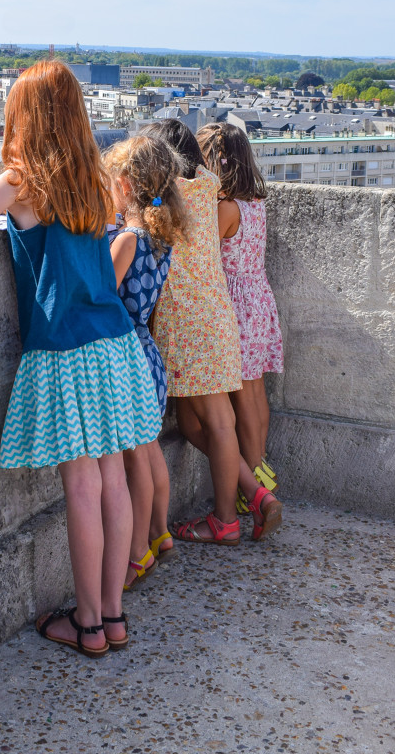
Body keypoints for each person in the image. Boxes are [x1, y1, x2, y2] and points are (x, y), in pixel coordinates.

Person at [0, 61, 161, 656]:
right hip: (115, 342)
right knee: (113, 483)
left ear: (24, 119)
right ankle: (111, 616)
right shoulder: (95, 179)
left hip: (65, 347)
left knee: (81, 487)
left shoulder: (20, 180)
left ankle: (85, 625)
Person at [147, 120, 281, 544]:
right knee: (197, 420)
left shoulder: (176, 196)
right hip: (222, 314)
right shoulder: (208, 188)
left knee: (214, 424)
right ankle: (255, 493)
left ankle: (226, 519)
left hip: (188, 322)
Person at [102, 135, 189, 588]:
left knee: (133, 462)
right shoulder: (161, 235)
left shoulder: (128, 241)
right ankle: (159, 536)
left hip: (124, 358)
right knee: (148, 452)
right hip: (147, 354)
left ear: (126, 185)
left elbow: (100, 295)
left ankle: (136, 554)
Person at [196, 122, 284, 517]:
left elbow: (202, 251)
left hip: (234, 303)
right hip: (258, 300)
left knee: (243, 399)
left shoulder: (226, 208)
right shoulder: (255, 204)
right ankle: (261, 468)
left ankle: (253, 482)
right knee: (255, 392)